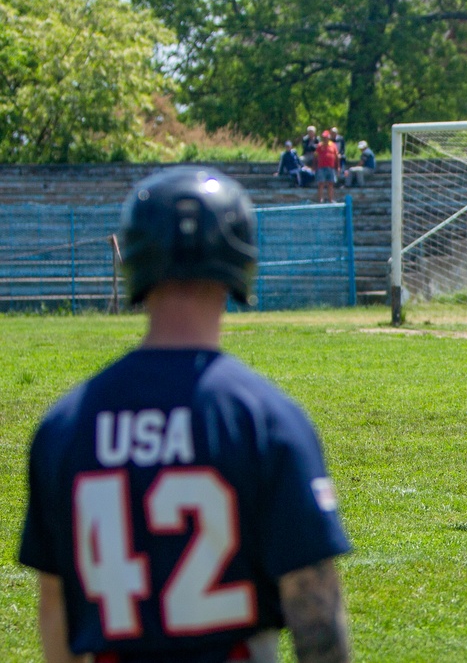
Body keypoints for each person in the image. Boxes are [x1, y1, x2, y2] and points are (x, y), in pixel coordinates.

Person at [18, 166, 352, 662]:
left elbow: (56, 612)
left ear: (135, 260)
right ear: (239, 261)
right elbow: (318, 621)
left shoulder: (63, 426)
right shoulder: (269, 419)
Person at [315, 130, 340, 203]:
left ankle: (330, 199)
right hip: (321, 167)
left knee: (331, 183)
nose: (325, 139)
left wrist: (338, 167)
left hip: (331, 167)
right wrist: (314, 166)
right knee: (321, 183)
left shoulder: (333, 145)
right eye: (323, 138)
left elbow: (336, 157)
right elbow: (315, 156)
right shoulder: (319, 145)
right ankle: (320, 199)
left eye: (326, 138)